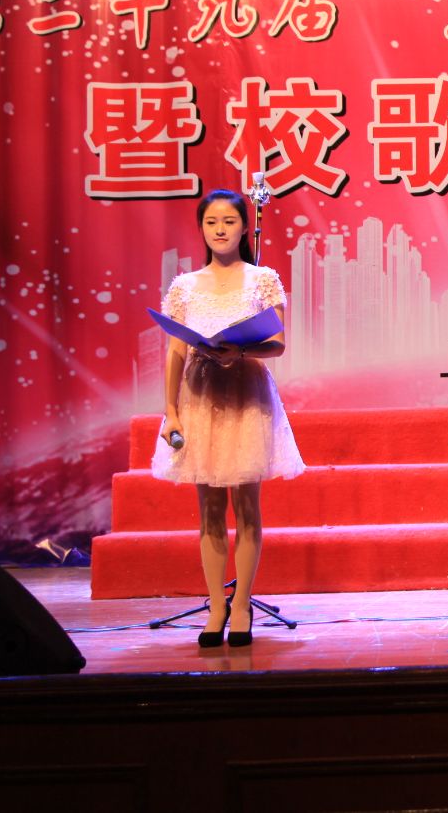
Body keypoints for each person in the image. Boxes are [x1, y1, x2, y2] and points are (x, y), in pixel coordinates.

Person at [153, 189, 305, 648]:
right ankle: (216, 606)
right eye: (211, 222)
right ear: (201, 228)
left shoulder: (262, 279)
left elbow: (277, 344)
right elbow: (175, 351)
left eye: (229, 222)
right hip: (200, 396)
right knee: (210, 509)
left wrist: (238, 351)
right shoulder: (185, 286)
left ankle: (242, 605)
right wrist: (171, 411)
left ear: (244, 228)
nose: (220, 230)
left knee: (247, 505)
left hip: (245, 394)